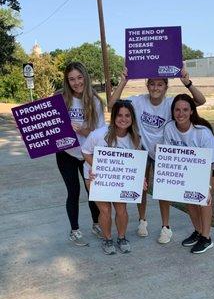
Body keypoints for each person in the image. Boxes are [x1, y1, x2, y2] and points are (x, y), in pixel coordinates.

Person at [109, 68, 206, 244]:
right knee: (142, 188)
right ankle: (142, 220)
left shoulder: (171, 104)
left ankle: (165, 227)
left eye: (160, 84)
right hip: (143, 150)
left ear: (166, 86)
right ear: (147, 85)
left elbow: (201, 101)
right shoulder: (138, 101)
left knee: (164, 190)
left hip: (165, 153)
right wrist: (123, 81)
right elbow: (112, 105)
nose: (155, 87)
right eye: (152, 84)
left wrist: (187, 83)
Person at [82, 100, 142, 255]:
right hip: (95, 176)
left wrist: (140, 179)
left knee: (121, 209)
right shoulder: (99, 134)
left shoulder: (135, 139)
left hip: (119, 179)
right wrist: (96, 167)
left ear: (132, 118)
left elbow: (136, 164)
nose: (123, 119)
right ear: (114, 116)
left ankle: (121, 237)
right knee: (105, 209)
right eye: (120, 115)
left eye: (127, 115)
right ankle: (107, 238)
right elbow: (85, 151)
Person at [56, 62, 105, 246]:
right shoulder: (61, 100)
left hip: (88, 155)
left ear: (85, 77)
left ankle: (96, 224)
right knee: (73, 192)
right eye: (71, 79)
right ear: (67, 82)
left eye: (79, 77)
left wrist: (84, 130)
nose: (76, 82)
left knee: (92, 191)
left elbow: (100, 134)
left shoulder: (95, 101)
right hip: (66, 153)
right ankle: (75, 230)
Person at [163, 93, 214, 253]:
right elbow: (170, 156)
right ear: (173, 112)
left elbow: (210, 162)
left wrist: (207, 187)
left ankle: (207, 238)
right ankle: (199, 231)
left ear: (192, 111)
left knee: (203, 199)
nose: (181, 114)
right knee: (188, 198)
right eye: (177, 110)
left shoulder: (202, 132)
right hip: (189, 167)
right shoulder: (169, 128)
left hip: (213, 165)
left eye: (185, 110)